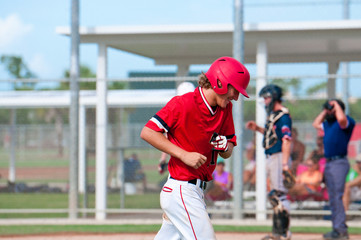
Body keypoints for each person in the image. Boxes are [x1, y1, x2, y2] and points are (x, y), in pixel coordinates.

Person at [140, 56, 250, 240]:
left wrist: (225, 146)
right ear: (220, 82)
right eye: (235, 89)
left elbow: (229, 150)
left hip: (195, 190)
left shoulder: (225, 109)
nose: (236, 97)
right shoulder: (182, 103)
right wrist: (183, 154)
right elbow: (148, 132)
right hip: (181, 189)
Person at [245, 84, 292, 240]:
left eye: (267, 98)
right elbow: (273, 135)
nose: (265, 101)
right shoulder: (274, 115)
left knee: (277, 195)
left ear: (274, 97)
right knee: (276, 195)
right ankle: (279, 232)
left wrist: (285, 165)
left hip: (279, 156)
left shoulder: (283, 116)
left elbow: (286, 140)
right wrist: (258, 128)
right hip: (273, 156)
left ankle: (282, 233)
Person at [313, 99, 355, 240]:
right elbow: (316, 124)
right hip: (329, 162)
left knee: (337, 197)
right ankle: (337, 229)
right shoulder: (328, 124)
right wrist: (325, 111)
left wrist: (336, 106)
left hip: (339, 162)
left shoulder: (346, 122)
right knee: (332, 198)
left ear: (338, 109)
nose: (330, 111)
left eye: (332, 109)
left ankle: (341, 230)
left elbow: (342, 119)